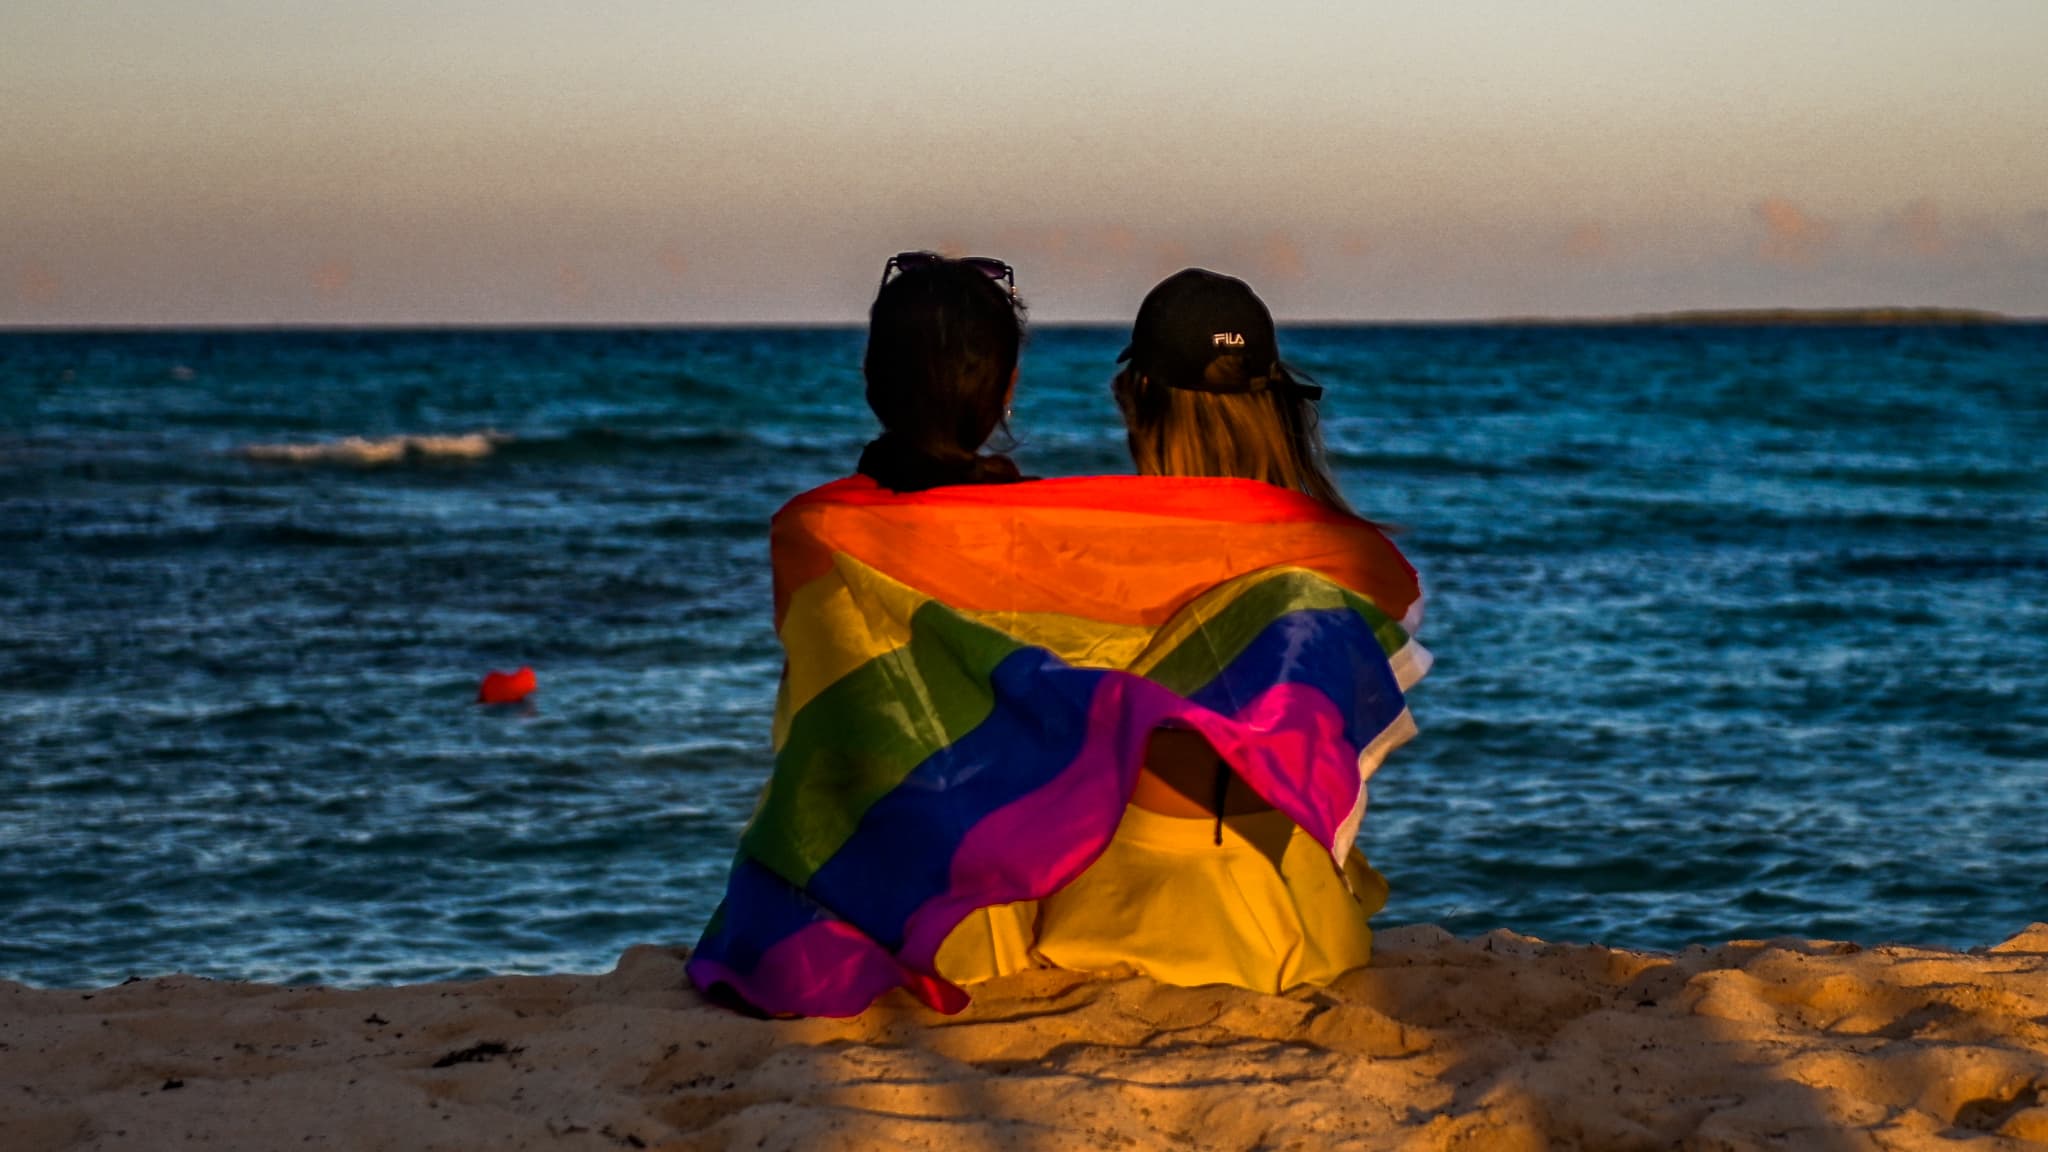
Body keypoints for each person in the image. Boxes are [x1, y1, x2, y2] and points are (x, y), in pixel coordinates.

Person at [1032, 268, 1397, 992]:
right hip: (1287, 918)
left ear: (1131, 399)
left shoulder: (1083, 558)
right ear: (1275, 408)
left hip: (1110, 911)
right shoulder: (1342, 570)